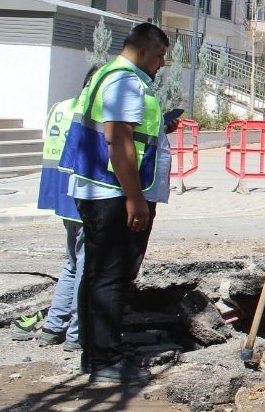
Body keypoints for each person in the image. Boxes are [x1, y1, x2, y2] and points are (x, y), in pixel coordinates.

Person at [59, 23, 171, 385]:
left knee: (96, 274)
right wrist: (135, 198)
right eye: (159, 56)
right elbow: (118, 140)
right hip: (114, 195)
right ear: (143, 51)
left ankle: (94, 353)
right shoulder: (125, 81)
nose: (161, 63)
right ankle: (107, 360)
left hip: (99, 190)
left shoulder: (106, 74)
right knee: (112, 277)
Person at [11, 66, 99, 350]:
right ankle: (77, 334)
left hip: (61, 195)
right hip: (84, 195)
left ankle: (53, 326)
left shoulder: (61, 107)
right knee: (87, 268)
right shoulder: (90, 111)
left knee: (73, 264)